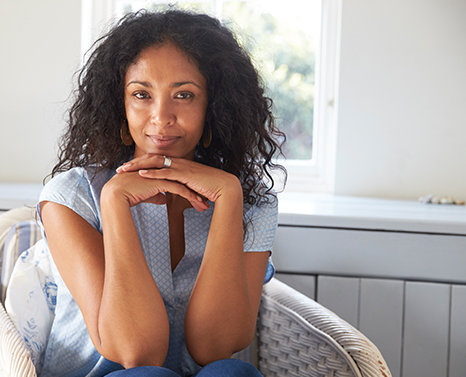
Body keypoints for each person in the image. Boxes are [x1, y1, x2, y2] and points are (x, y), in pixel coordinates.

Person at [35, 9, 284, 377]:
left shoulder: (251, 201)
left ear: (213, 105)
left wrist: (230, 196)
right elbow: (137, 352)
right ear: (119, 103)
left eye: (183, 95)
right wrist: (115, 202)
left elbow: (215, 348)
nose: (161, 117)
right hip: (111, 372)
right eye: (141, 94)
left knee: (232, 373)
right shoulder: (72, 197)